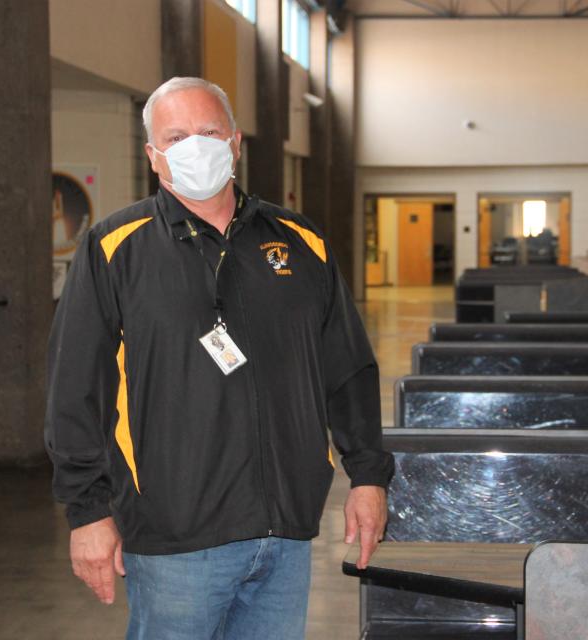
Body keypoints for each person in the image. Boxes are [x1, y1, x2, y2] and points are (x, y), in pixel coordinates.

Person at [44, 76, 394, 639]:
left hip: (287, 532)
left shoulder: (301, 242)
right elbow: (74, 388)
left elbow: (347, 368)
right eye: (176, 136)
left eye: (207, 131)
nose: (194, 146)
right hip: (177, 538)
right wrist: (87, 511)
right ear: (153, 156)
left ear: (234, 142)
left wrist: (368, 476)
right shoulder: (115, 249)